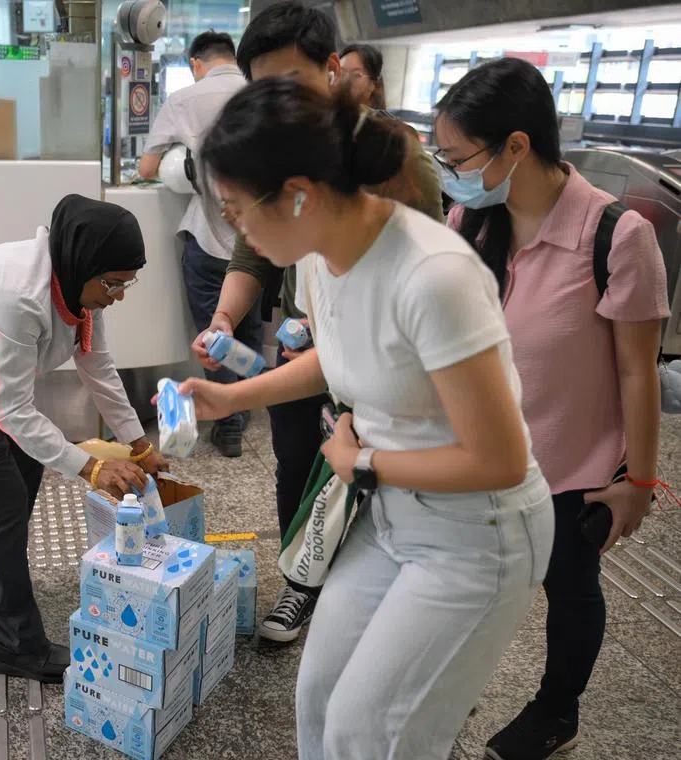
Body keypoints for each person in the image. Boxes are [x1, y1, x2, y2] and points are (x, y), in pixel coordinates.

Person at [188, 76, 554, 760]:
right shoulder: (322, 259)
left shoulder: (432, 277)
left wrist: (362, 462)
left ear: (297, 192)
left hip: (477, 537)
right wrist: (234, 397)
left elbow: (499, 459)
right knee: (320, 701)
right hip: (388, 517)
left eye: (237, 209)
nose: (234, 227)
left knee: (373, 733)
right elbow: (340, 355)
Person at [435, 58, 669, 760]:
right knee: (468, 582)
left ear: (515, 146)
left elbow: (639, 371)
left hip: (568, 468)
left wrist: (639, 481)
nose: (448, 171)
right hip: (477, 458)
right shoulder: (468, 220)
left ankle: (556, 710)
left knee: (569, 588)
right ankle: (450, 688)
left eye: (456, 157)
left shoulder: (618, 237)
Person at [193, 0, 443, 644]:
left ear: (333, 71)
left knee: (360, 484)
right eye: (262, 88)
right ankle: (303, 586)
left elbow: (426, 300)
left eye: (290, 83)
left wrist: (373, 394)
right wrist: (226, 317)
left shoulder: (390, 160)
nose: (276, 103)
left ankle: (376, 611)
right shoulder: (280, 155)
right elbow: (255, 249)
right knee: (297, 461)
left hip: (383, 373)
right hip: (314, 345)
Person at [0, 195, 168, 684]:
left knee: (23, 471)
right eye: (114, 284)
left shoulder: (80, 280)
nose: (118, 296)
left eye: (127, 285)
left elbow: (95, 364)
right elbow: (13, 409)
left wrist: (136, 441)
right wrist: (91, 466)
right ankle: (15, 645)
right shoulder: (17, 294)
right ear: (86, 264)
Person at [138, 30, 256, 458]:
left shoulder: (186, 100)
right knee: (249, 323)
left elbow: (148, 166)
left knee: (214, 331)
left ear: (195, 63)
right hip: (258, 242)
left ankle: (228, 424)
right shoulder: (258, 91)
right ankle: (242, 409)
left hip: (210, 238)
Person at [340, 43, 386, 110]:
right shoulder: (325, 115)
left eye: (356, 75)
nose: (345, 80)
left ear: (372, 84)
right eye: (341, 73)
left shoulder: (379, 119)